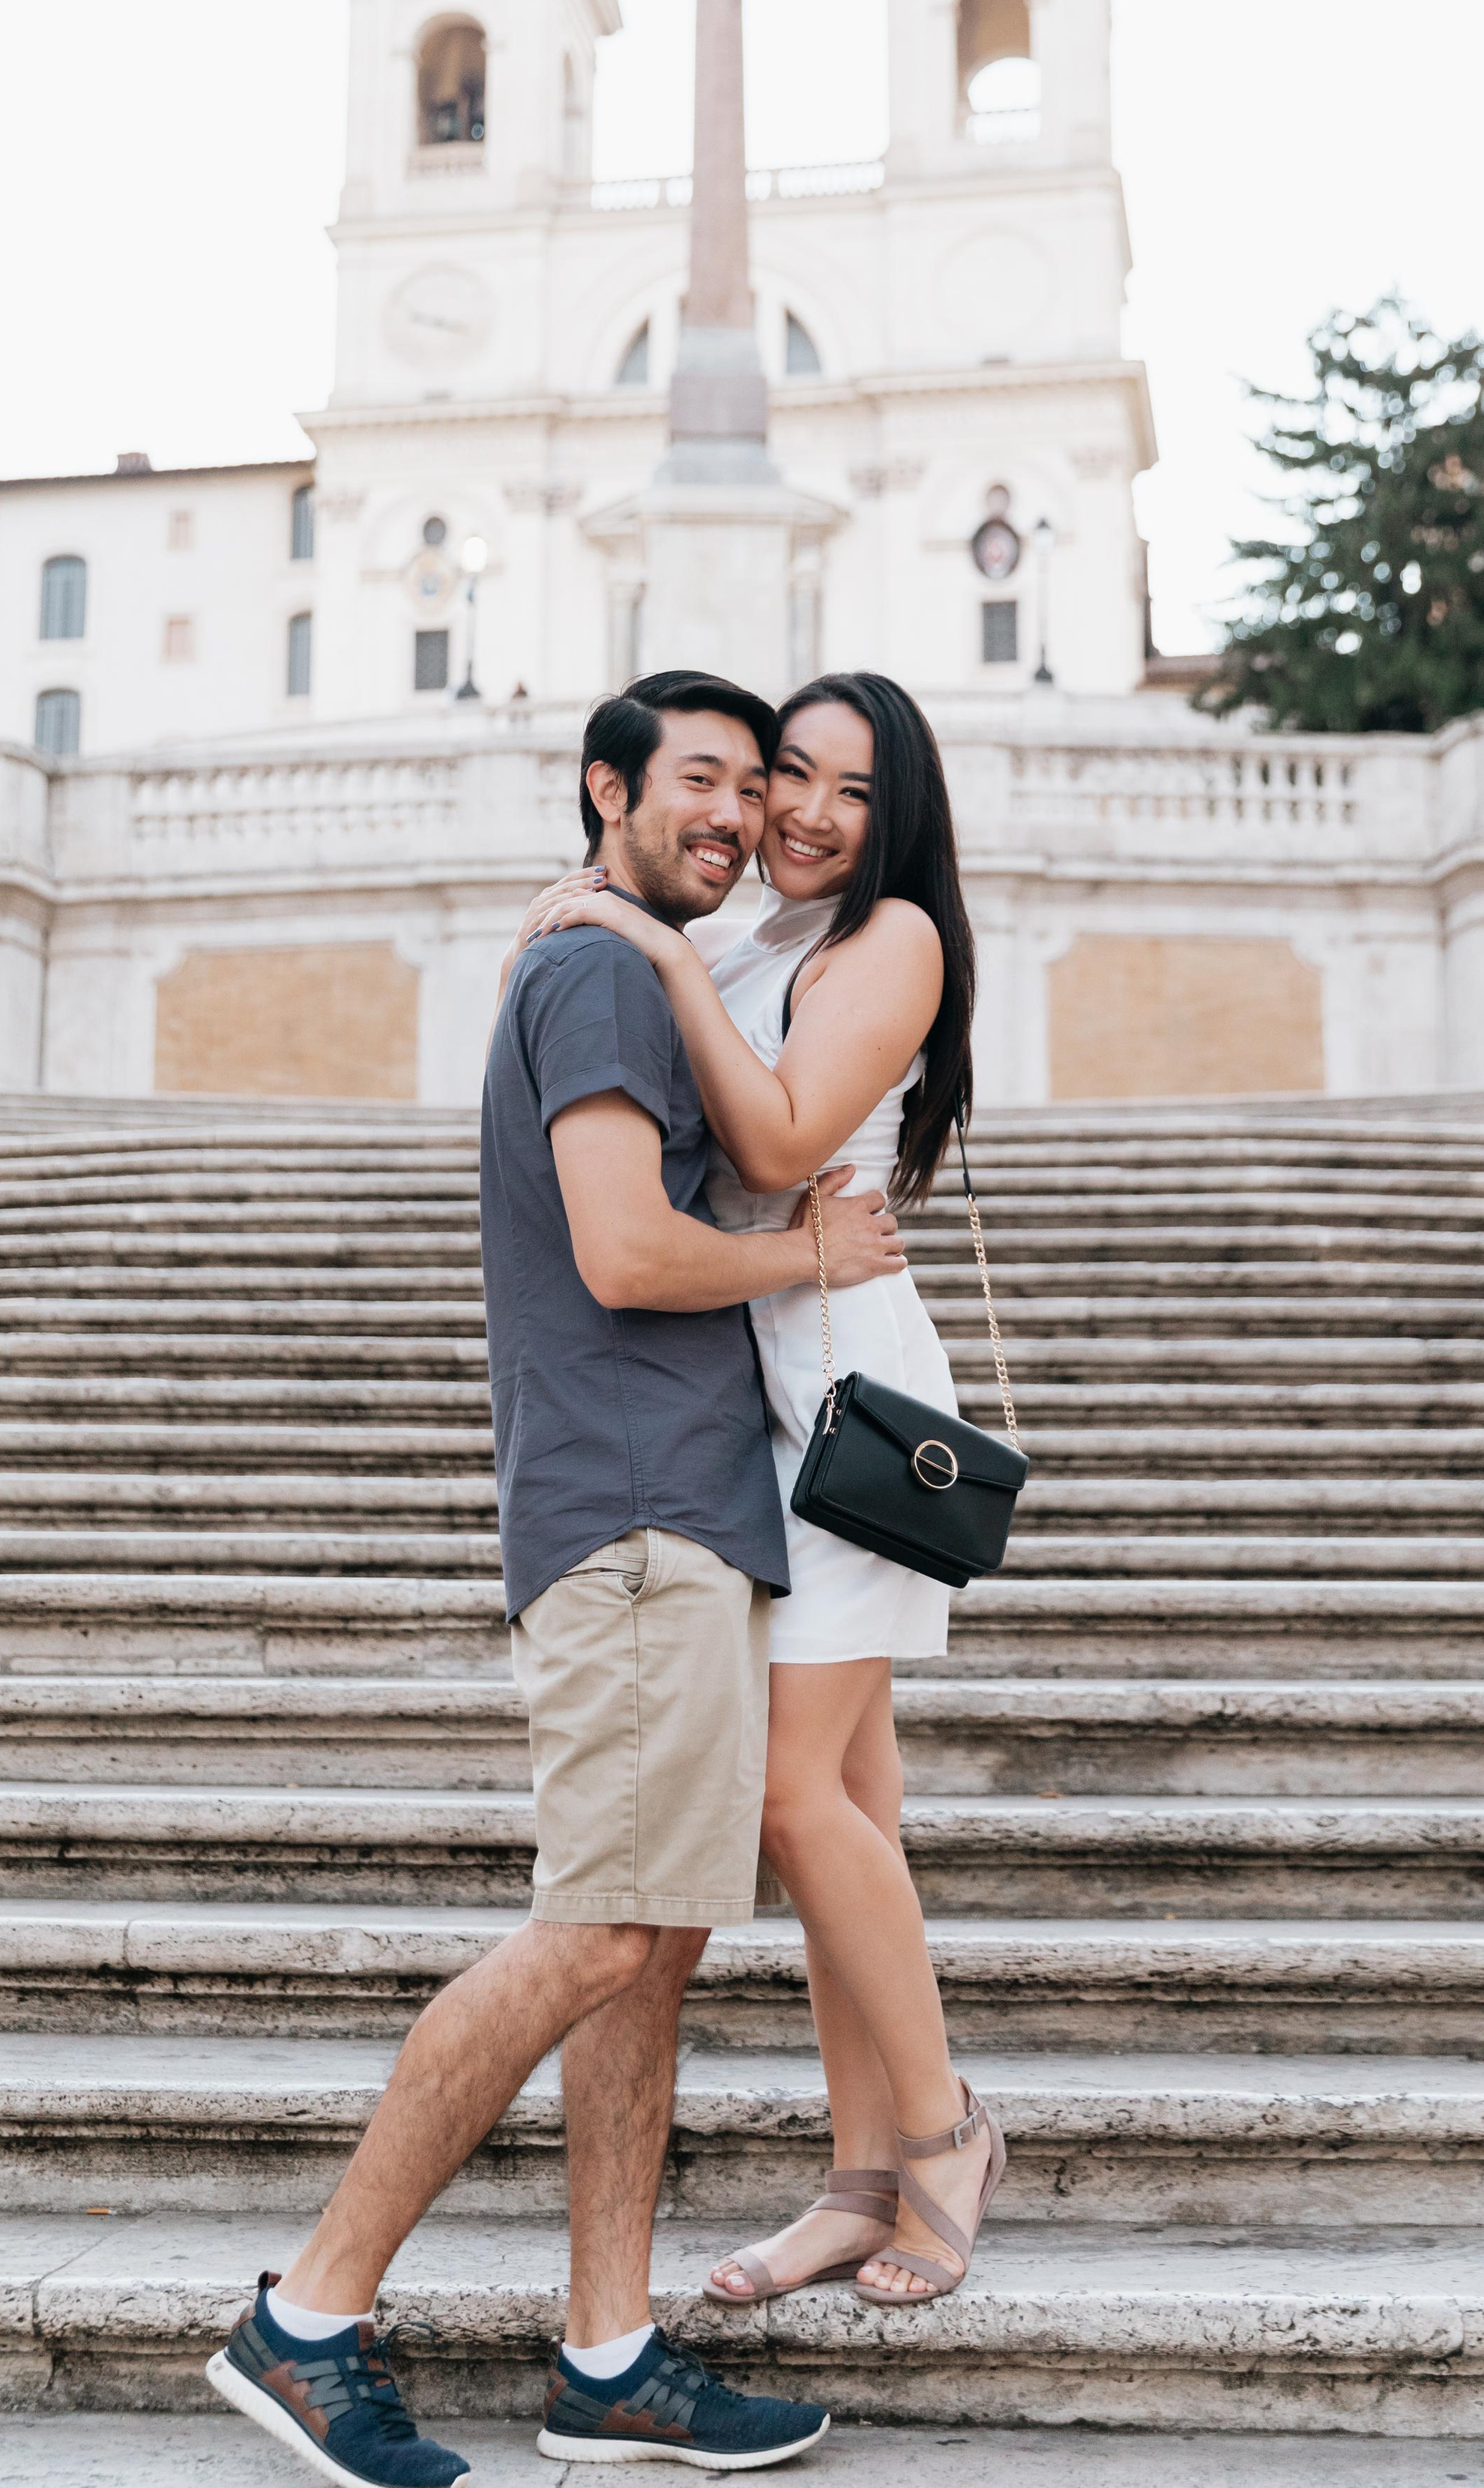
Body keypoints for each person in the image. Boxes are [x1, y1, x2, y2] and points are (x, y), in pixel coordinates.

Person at [208, 669, 904, 2486]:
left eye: (753, 789)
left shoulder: (624, 960)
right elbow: (621, 1247)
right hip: (631, 1516)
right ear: (603, 789)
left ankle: (607, 2354)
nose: (736, 816)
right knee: (598, 1928)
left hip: (681, 1513)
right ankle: (305, 2317)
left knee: (650, 1950)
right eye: (699, 780)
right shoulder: (594, 967)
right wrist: (807, 1252)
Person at [516, 671, 1005, 2319]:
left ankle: (942, 2141)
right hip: (750, 1388)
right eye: (786, 774)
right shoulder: (746, 934)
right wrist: (615, 920)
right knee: (843, 1821)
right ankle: (857, 2182)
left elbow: (787, 1136)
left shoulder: (893, 942)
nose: (797, 811)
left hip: (846, 1395)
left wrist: (650, 947)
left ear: (900, 819)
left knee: (796, 1803)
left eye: (848, 793)